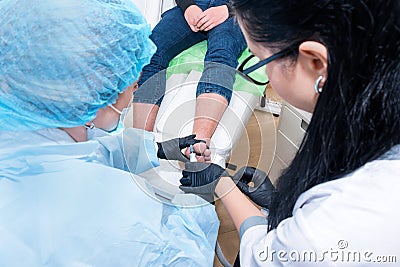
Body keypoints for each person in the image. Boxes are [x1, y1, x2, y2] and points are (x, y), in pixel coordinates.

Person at [179, 0, 400, 265]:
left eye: (259, 60)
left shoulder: (338, 221)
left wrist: (221, 183)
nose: (266, 75)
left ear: (316, 63)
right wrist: (277, 205)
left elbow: (268, 256)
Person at [0, 0, 219, 265]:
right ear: (101, 91)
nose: (134, 93)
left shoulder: (24, 123)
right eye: (134, 84)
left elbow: (90, 147)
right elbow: (185, 257)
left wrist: (159, 148)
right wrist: (202, 198)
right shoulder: (123, 219)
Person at [132, 0, 247, 160]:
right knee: (153, 50)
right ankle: (140, 143)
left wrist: (230, 9)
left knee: (221, 52)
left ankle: (197, 147)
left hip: (237, 11)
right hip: (195, 6)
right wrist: (188, 7)